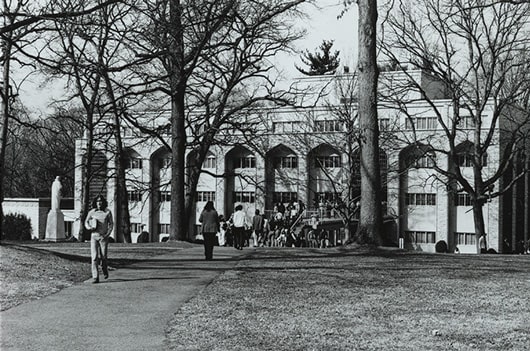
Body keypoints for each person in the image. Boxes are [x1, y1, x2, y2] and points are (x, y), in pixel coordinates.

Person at [84, 195, 113, 284]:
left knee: (103, 257)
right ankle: (95, 277)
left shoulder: (107, 212)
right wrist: (89, 227)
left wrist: (107, 234)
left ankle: (104, 269)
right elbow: (86, 222)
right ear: (95, 203)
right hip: (94, 236)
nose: (99, 203)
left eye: (100, 201)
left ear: (103, 202)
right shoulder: (92, 212)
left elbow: (111, 225)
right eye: (97, 201)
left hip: (103, 237)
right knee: (94, 257)